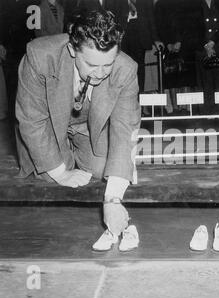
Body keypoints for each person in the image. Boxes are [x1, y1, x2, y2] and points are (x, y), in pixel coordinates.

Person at [15, 10, 141, 251]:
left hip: (87, 126)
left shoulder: (126, 68)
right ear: (73, 50)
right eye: (92, 64)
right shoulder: (39, 55)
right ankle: (62, 160)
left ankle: (74, 157)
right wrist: (61, 173)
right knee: (51, 174)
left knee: (104, 169)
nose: (102, 73)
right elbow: (32, 120)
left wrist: (113, 199)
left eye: (109, 64)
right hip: (48, 125)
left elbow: (125, 129)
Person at [105, 0, 163, 93]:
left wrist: (156, 39)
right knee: (122, 66)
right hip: (122, 33)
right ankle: (123, 98)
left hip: (140, 33)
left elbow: (151, 17)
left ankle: (139, 99)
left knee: (139, 68)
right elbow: (110, 14)